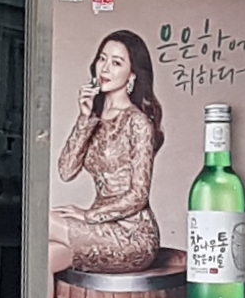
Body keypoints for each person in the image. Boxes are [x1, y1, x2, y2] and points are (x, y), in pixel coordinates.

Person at [49, 30, 163, 274]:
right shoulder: (94, 118)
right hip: (99, 229)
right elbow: (66, 171)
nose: (105, 68)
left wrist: (89, 216)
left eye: (116, 62)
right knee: (46, 258)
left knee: (40, 221)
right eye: (102, 58)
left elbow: (139, 195)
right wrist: (84, 117)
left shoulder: (138, 122)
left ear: (132, 75)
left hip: (132, 234)